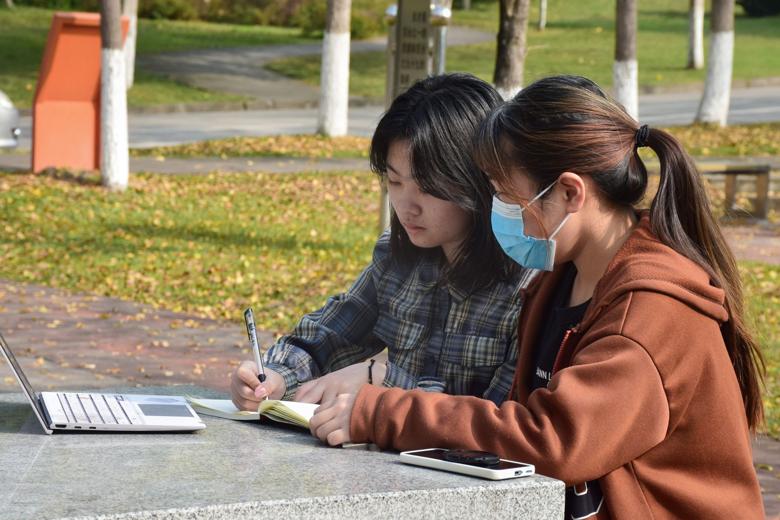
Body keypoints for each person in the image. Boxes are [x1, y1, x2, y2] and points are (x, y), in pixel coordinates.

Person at [310, 75, 765, 518]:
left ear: (569, 192)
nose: (498, 213)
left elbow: (554, 440)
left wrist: (385, 411)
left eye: (507, 196)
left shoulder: (648, 312)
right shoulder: (560, 280)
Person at [231, 73, 530, 412]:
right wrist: (274, 377)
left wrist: (384, 379)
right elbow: (328, 336)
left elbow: (501, 418)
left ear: (479, 180)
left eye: (428, 187)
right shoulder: (397, 258)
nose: (407, 206)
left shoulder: (526, 282)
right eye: (395, 182)